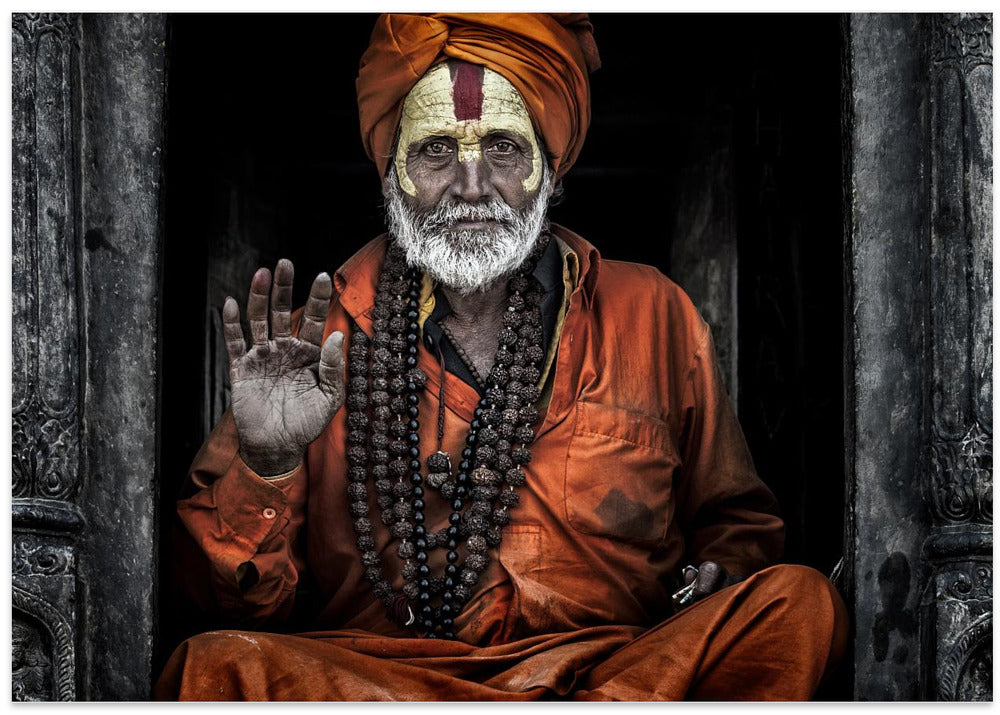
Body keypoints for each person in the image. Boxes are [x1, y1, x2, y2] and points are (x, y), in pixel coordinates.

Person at [155, 13, 847, 701]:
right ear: (392, 172)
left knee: (797, 605)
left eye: (504, 148)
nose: (472, 184)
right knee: (211, 666)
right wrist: (267, 463)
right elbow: (216, 604)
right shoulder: (320, 342)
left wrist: (722, 571)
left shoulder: (653, 314)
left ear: (549, 167)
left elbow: (737, 528)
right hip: (385, 685)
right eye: (436, 151)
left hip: (609, 678)